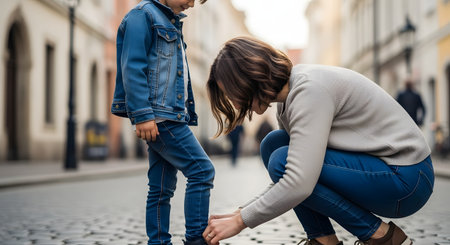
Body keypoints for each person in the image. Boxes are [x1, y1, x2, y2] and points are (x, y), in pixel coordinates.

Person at [202, 37, 434, 245]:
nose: (234, 103)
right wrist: (242, 212)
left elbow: (298, 181)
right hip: (386, 172)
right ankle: (323, 241)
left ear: (249, 77)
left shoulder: (309, 91)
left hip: (407, 179)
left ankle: (382, 237)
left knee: (281, 158)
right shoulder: (289, 96)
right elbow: (293, 177)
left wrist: (242, 221)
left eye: (233, 93)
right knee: (274, 145)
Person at [110, 1, 215, 245]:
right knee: (202, 170)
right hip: (160, 116)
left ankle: (158, 242)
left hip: (169, 115)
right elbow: (132, 67)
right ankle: (195, 240)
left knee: (160, 187)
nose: (191, 4)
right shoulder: (142, 16)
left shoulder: (170, 21)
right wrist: (143, 114)